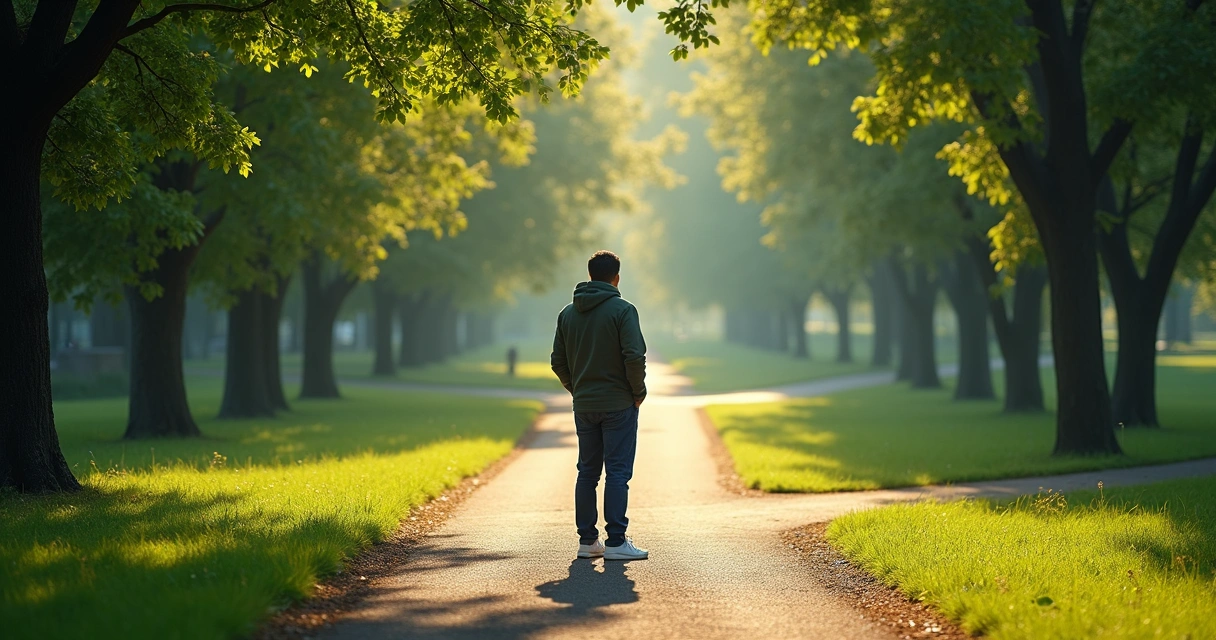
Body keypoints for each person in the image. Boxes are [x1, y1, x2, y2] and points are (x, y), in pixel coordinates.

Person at [551, 250, 649, 561]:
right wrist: (638, 391)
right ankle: (617, 542)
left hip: (585, 405)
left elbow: (558, 362)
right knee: (618, 472)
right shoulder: (623, 310)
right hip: (619, 403)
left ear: (590, 274)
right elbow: (634, 356)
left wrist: (576, 389)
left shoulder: (567, 313)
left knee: (587, 472)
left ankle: (588, 541)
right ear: (616, 278)